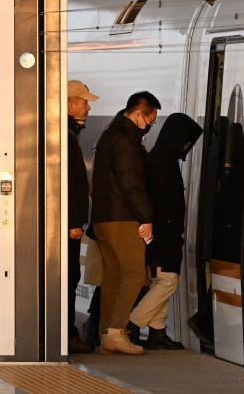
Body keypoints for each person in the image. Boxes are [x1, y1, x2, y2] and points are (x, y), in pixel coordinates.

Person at [90, 91, 160, 355]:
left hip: (103, 218)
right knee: (134, 274)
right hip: (122, 218)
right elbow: (131, 183)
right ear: (140, 115)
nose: (150, 127)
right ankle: (117, 331)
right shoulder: (126, 140)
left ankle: (106, 333)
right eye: (151, 121)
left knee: (113, 277)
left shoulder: (110, 134)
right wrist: (147, 217)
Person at [128, 112, 202, 350]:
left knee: (163, 278)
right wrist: (168, 229)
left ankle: (157, 330)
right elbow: (160, 200)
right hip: (164, 232)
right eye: (186, 140)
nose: (186, 146)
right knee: (167, 280)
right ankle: (133, 322)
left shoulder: (162, 158)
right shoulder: (162, 161)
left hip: (165, 231)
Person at [65, 81, 98, 354]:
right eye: (83, 101)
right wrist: (73, 223)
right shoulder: (65, 137)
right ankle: (65, 334)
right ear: (67, 103)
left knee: (69, 276)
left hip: (67, 224)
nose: (88, 107)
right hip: (66, 227)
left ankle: (66, 332)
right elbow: (66, 185)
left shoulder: (68, 135)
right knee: (67, 276)